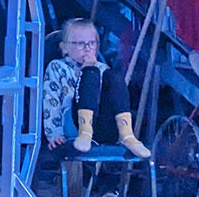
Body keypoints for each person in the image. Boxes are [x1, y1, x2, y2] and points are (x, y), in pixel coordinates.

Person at [43, 18, 151, 158]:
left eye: (91, 43)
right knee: (91, 74)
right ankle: (85, 131)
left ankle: (127, 134)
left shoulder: (103, 68)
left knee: (113, 76)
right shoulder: (57, 67)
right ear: (64, 48)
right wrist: (54, 135)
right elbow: (51, 102)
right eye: (80, 44)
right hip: (73, 125)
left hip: (101, 124)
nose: (87, 48)